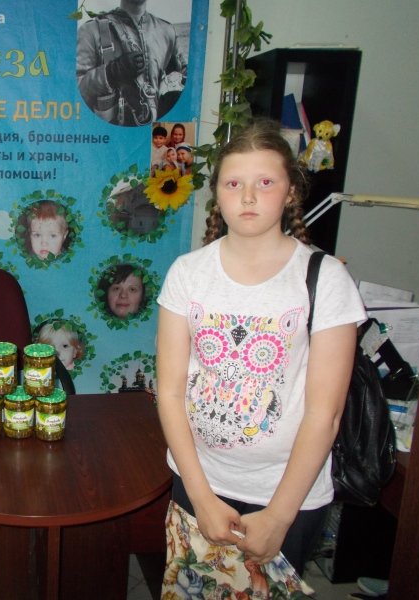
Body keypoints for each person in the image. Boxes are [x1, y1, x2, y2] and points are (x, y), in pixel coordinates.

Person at [155, 120, 366, 577]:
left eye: (265, 183)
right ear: (217, 194)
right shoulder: (187, 273)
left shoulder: (326, 279)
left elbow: (324, 414)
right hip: (199, 482)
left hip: (288, 494)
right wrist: (201, 497)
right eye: (234, 184)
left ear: (291, 192)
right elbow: (169, 392)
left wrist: (279, 516)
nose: (248, 197)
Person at [76, 0, 187, 126]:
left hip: (154, 130)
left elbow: (186, 77)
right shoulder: (91, 31)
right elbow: (75, 90)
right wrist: (110, 73)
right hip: (111, 131)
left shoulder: (167, 31)